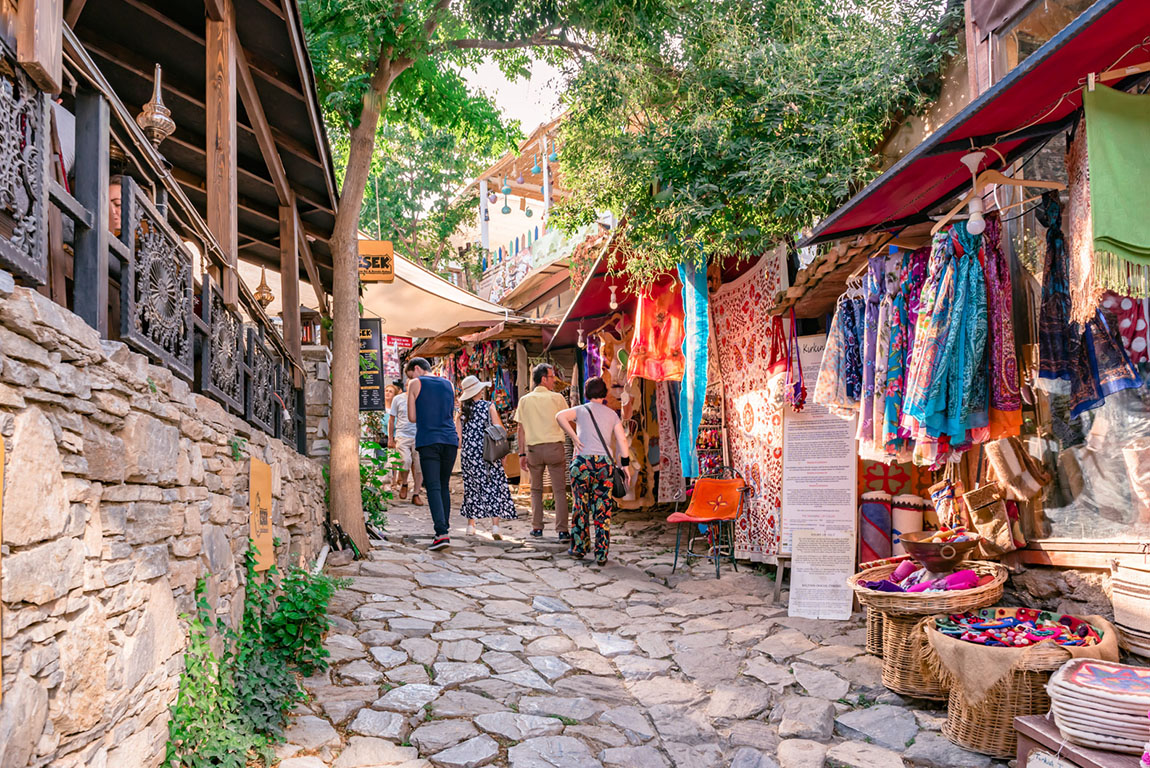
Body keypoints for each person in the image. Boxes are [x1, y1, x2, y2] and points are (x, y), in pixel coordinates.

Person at [556, 377, 632, 565]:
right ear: (605, 393)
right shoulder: (612, 415)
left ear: (586, 393)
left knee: (579, 506)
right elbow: (622, 441)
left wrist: (574, 437)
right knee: (602, 509)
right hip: (603, 466)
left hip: (581, 463)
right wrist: (625, 466)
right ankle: (601, 553)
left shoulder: (581, 410)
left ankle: (579, 548)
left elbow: (560, 416)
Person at [405, 357, 458, 550]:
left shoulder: (415, 383)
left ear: (416, 369)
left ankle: (441, 533)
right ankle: (445, 528)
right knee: (444, 484)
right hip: (450, 440)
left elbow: (412, 417)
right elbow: (450, 413)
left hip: (429, 439)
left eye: (410, 374)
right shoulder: (448, 384)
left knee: (433, 486)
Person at [456, 375, 518, 539]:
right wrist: (503, 452)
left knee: (471, 488)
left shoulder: (461, 412)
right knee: (493, 485)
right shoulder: (488, 406)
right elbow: (499, 429)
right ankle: (495, 527)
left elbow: (459, 440)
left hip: (469, 454)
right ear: (479, 391)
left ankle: (471, 526)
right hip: (488, 452)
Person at [515, 363, 570, 540]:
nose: (554, 380)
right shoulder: (558, 399)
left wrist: (521, 454)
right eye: (552, 377)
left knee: (536, 489)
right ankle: (562, 530)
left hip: (534, 450)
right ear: (543, 379)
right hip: (555, 447)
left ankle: (537, 527)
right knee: (559, 490)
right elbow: (568, 422)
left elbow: (520, 430)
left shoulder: (524, 400)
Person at [388, 378, 422, 506]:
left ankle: (416, 494)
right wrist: (391, 438)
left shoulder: (421, 398)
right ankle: (405, 483)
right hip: (402, 435)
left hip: (419, 435)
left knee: (419, 466)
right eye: (409, 385)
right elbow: (391, 420)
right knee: (406, 460)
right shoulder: (398, 399)